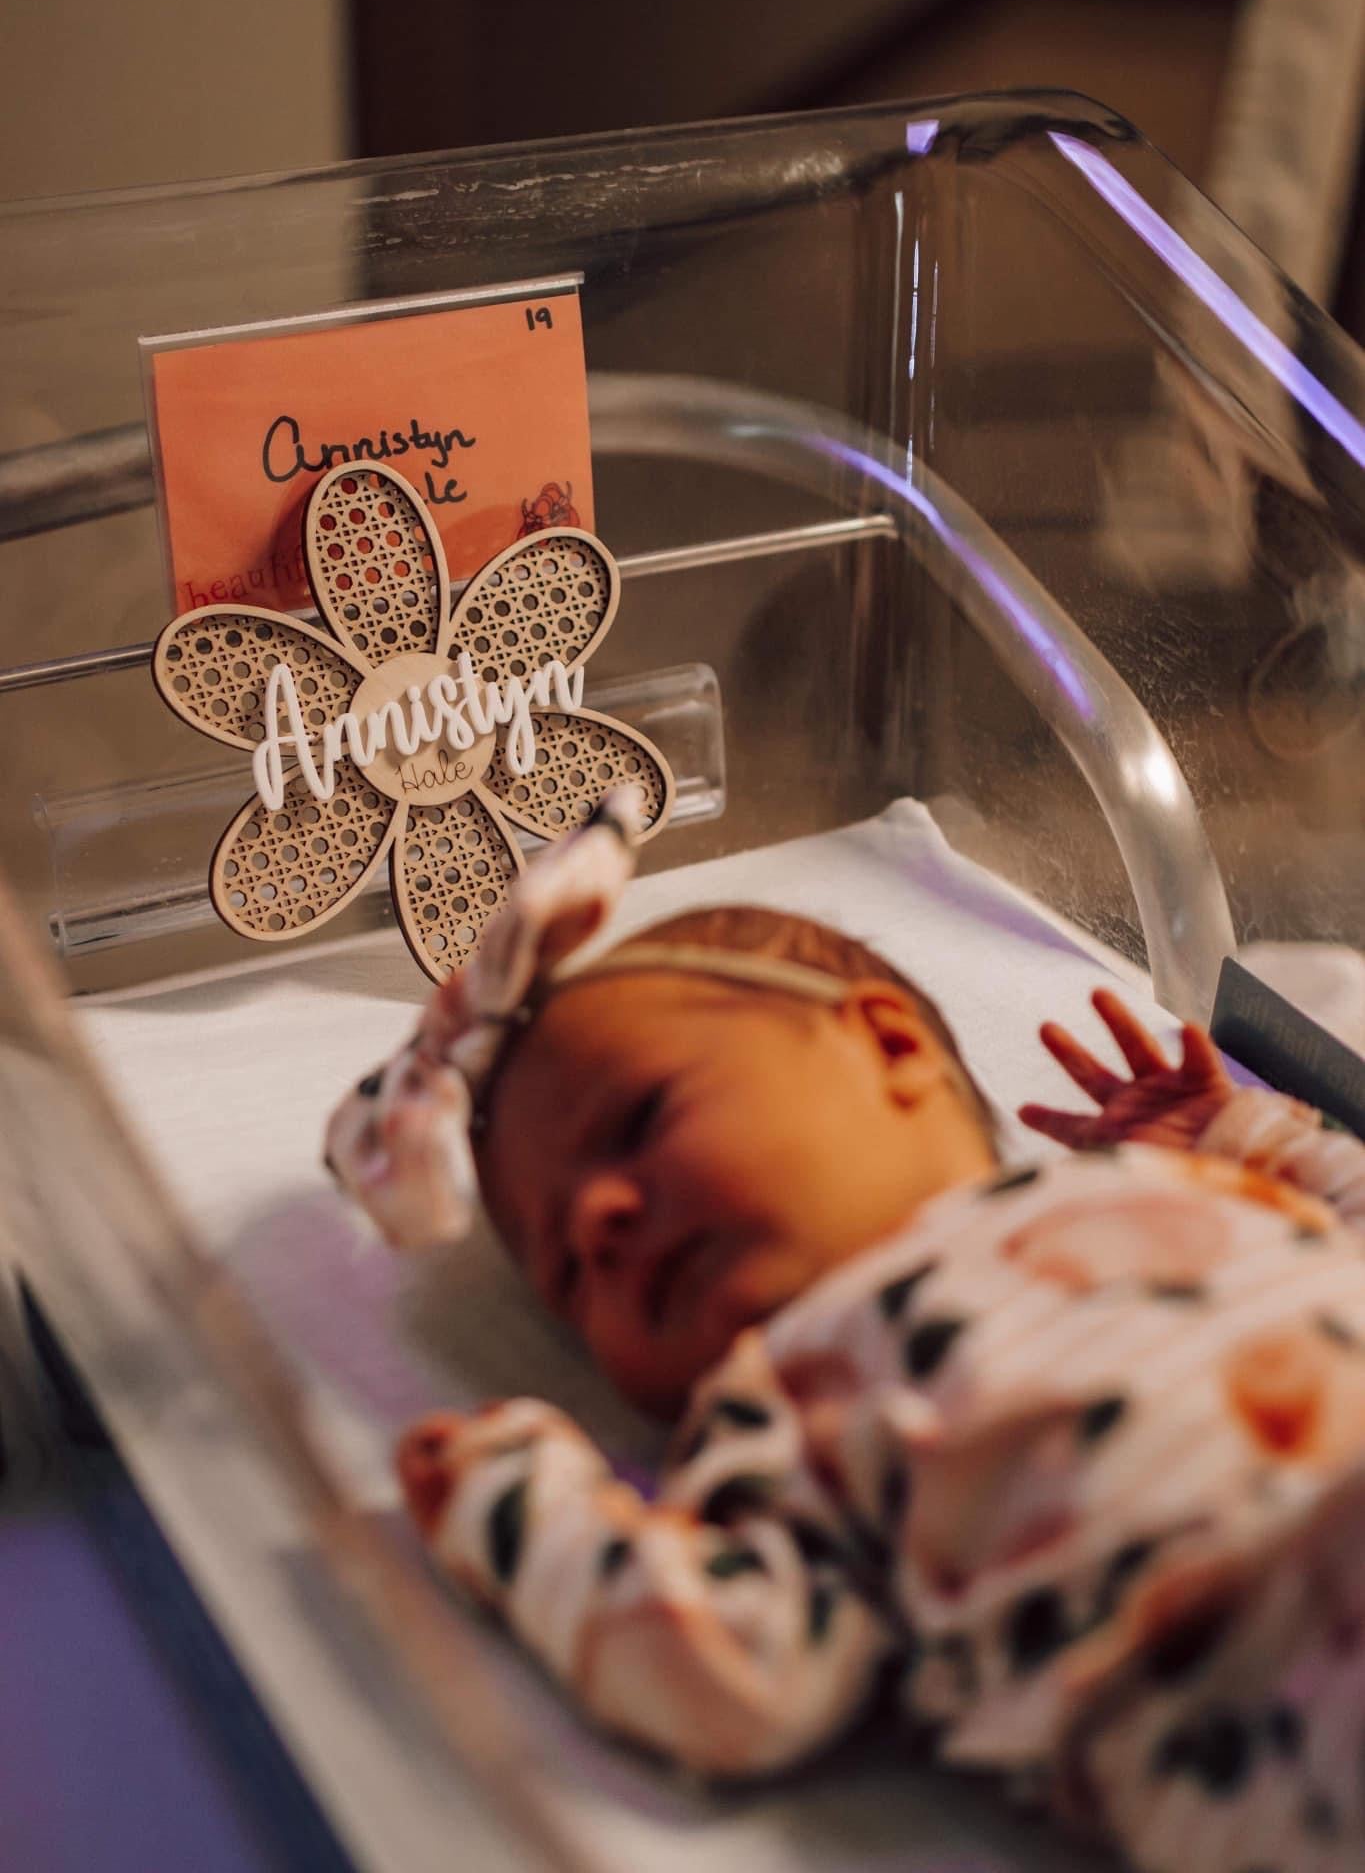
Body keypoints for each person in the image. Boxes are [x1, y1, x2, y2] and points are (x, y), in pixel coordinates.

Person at [326, 796, 1365, 1871]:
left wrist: (1253, 1134)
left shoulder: (1146, 1179)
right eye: (567, 1273)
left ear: (890, 1044)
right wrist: (522, 1503)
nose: (597, 1218)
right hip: (1269, 1675)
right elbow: (740, 1675)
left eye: (642, 1120)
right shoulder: (780, 1408)